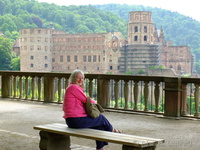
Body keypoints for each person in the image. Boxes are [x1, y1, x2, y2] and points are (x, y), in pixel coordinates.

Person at [63, 69, 121, 150]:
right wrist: (97, 105)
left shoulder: (71, 87)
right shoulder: (73, 88)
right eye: (78, 78)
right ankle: (111, 130)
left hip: (72, 120)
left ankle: (100, 148)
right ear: (73, 78)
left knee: (99, 125)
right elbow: (87, 100)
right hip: (75, 120)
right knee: (100, 118)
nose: (81, 80)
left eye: (82, 78)